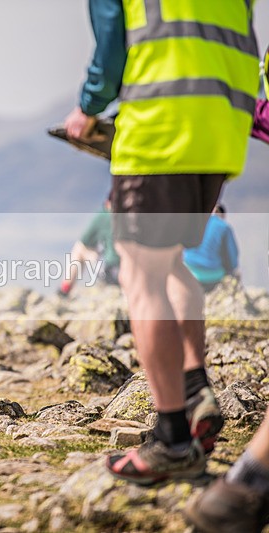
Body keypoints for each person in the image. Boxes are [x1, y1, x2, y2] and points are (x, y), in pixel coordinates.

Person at [64, 0, 259, 486]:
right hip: (221, 134)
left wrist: (87, 110)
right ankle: (195, 389)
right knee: (173, 265)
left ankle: (172, 438)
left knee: (139, 276)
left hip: (160, 128)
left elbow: (111, 54)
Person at [183, 45, 269, 533]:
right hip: (214, 280)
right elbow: (231, 264)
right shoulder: (225, 230)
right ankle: (252, 478)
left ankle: (251, 480)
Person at [59, 196, 120, 297]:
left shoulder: (105, 215)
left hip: (114, 273)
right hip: (136, 272)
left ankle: (64, 290)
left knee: (80, 248)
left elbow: (85, 241)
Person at [183, 204, 239, 292]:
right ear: (222, 215)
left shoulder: (192, 221)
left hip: (188, 270)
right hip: (210, 275)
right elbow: (232, 260)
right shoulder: (224, 227)